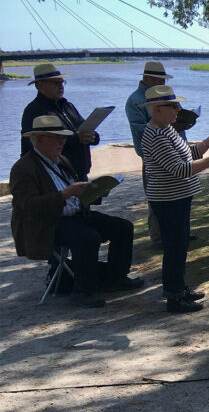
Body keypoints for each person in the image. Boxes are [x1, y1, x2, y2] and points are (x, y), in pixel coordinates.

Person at [11, 115, 143, 307]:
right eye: (56, 138)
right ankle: (82, 291)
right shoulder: (23, 168)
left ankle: (116, 278)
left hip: (74, 214)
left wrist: (96, 192)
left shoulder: (61, 160)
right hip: (47, 224)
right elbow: (30, 206)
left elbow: (75, 194)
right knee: (87, 238)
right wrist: (65, 194)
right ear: (39, 140)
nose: (62, 142)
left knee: (123, 227)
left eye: (63, 138)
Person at [139, 85, 209, 313]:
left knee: (180, 245)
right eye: (173, 106)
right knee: (174, 247)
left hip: (178, 196)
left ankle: (179, 288)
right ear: (157, 109)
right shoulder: (155, 135)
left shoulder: (167, 129)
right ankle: (174, 296)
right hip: (168, 199)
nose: (178, 110)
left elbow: (191, 154)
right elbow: (181, 169)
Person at [126, 61, 191, 245]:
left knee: (179, 195)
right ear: (148, 78)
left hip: (174, 148)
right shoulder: (135, 101)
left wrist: (177, 123)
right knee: (158, 197)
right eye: (159, 79)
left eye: (163, 79)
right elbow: (139, 128)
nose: (162, 83)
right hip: (153, 155)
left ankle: (181, 233)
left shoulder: (161, 96)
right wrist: (170, 124)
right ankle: (159, 237)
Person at [20, 63, 98, 180]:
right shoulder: (33, 110)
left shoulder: (68, 106)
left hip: (79, 173)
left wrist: (93, 137)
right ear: (39, 85)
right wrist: (77, 139)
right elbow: (35, 145)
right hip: (54, 176)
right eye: (55, 83)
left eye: (62, 83)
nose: (60, 87)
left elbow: (85, 128)